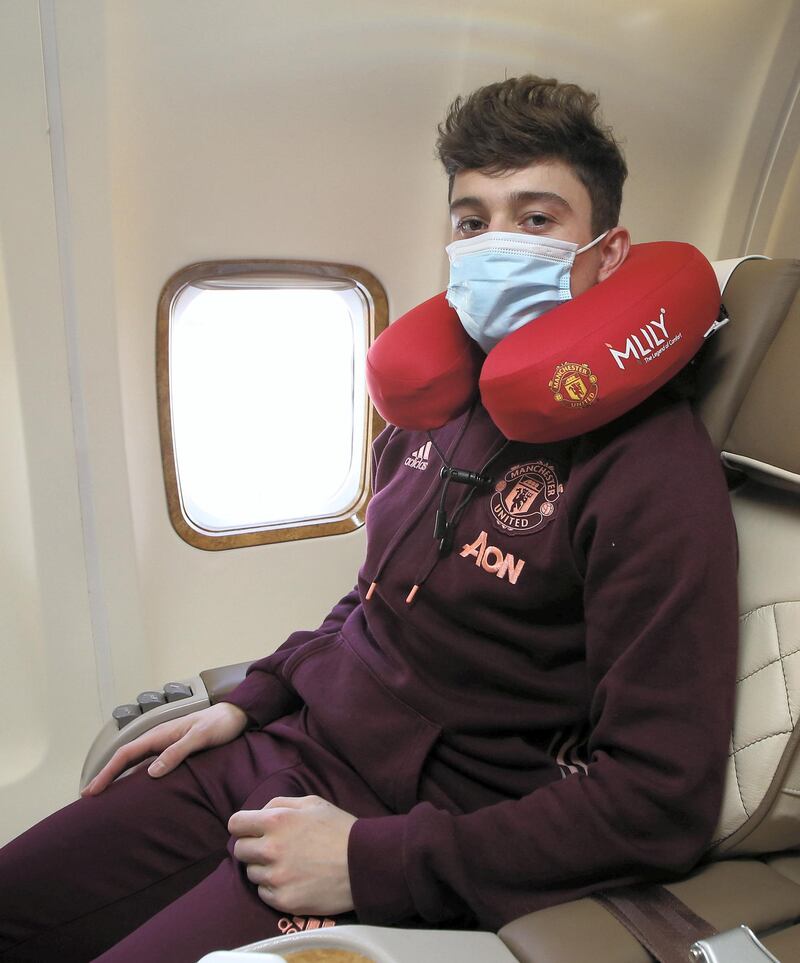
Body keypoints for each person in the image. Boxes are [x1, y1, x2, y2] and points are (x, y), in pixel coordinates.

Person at [0, 75, 738, 962]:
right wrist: (254, 696)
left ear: (607, 253)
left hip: (408, 824)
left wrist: (367, 860)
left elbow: (658, 800)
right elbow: (375, 599)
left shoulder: (652, 468)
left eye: (536, 219)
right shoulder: (439, 402)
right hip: (286, 746)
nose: (495, 244)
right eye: (472, 221)